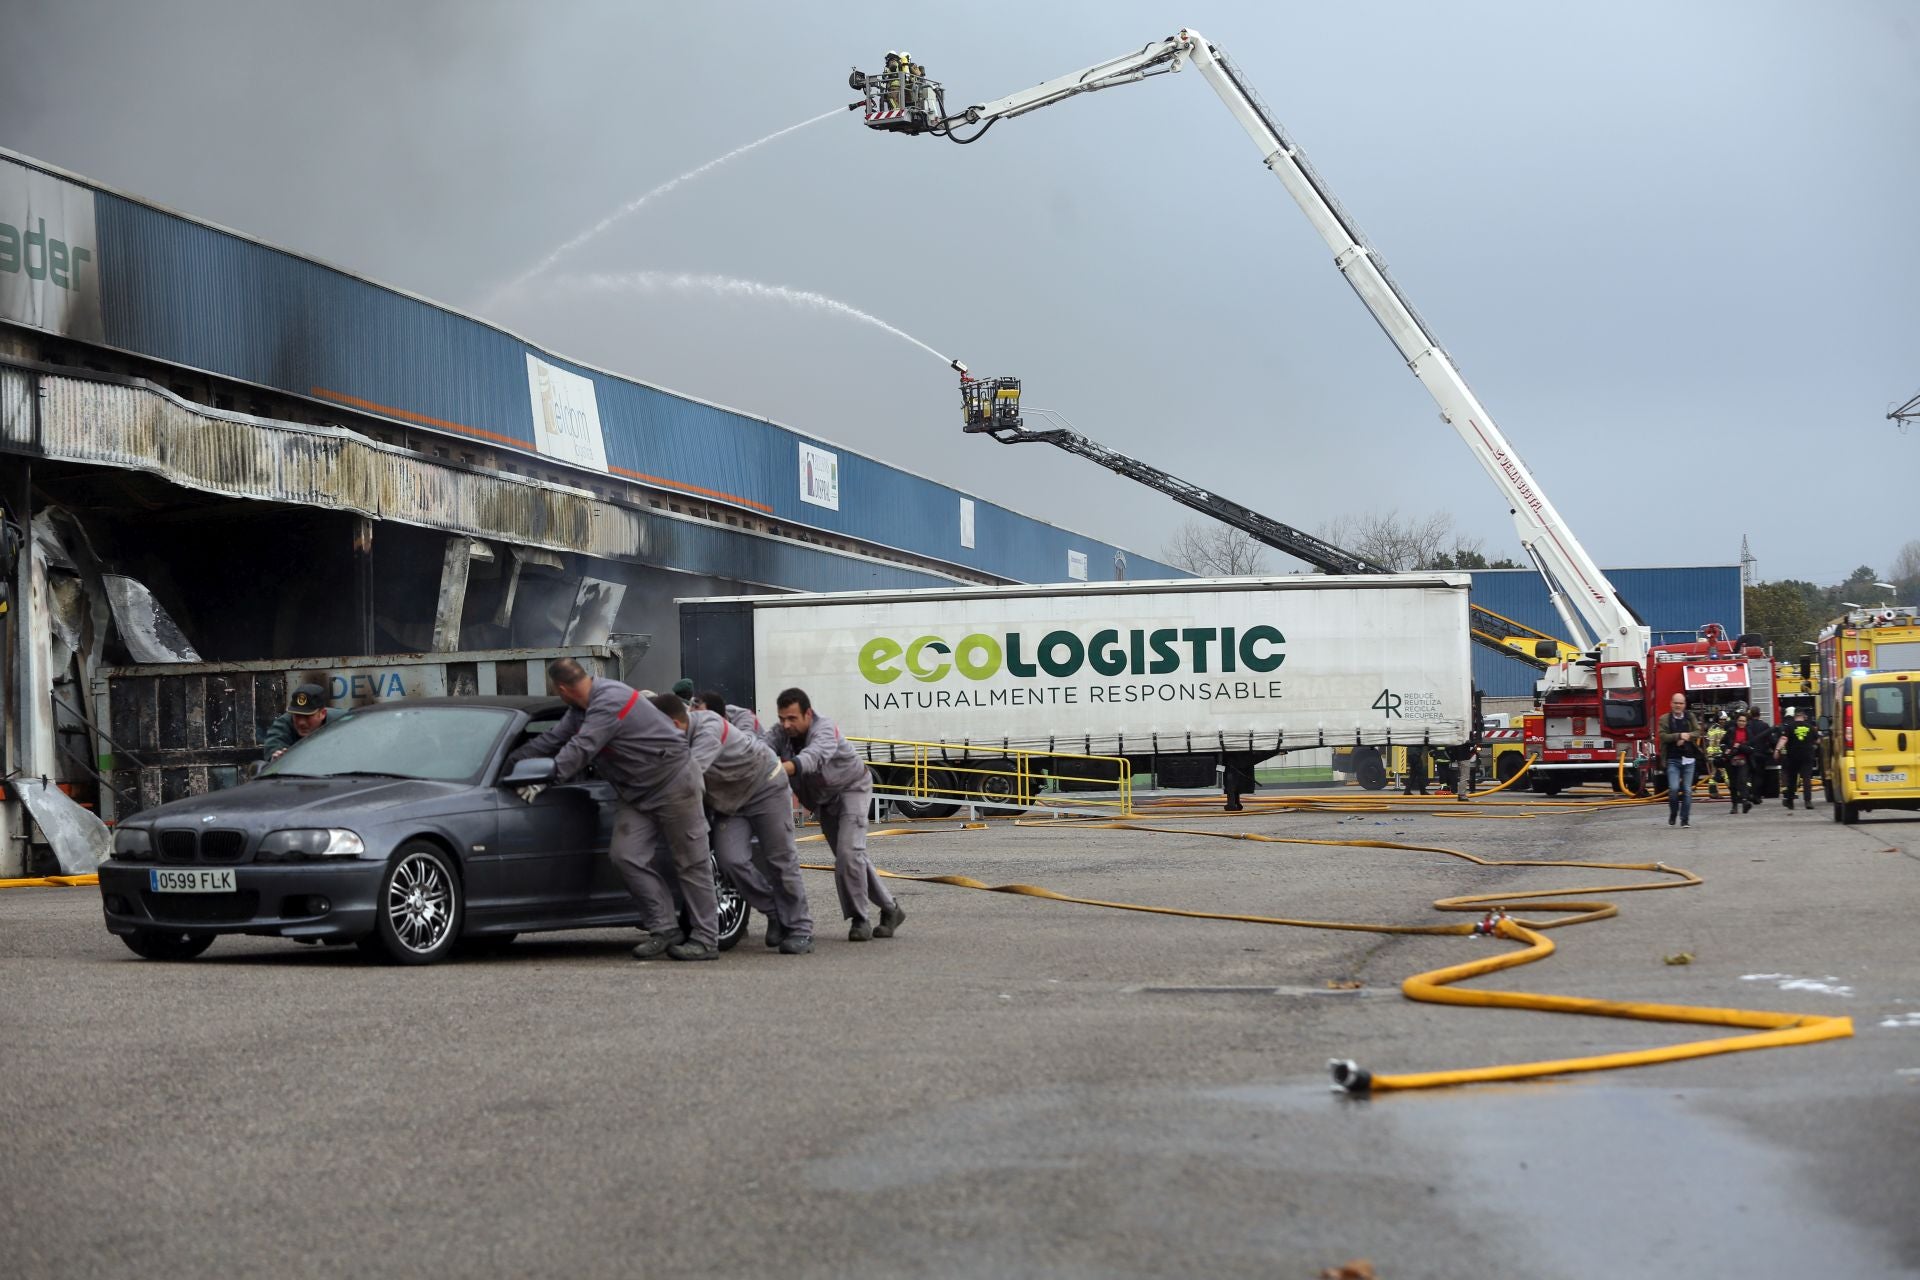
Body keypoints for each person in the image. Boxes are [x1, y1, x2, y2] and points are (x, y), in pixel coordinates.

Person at [505, 658, 722, 962]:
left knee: (691, 862)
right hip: (637, 793)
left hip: (674, 783)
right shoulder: (579, 710)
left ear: (563, 688)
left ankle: (705, 940)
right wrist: (510, 763)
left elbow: (582, 747)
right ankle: (665, 929)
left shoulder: (610, 700)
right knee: (626, 856)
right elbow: (553, 740)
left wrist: (548, 776)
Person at [651, 692, 814, 954]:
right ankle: (774, 910)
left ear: (673, 724)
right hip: (732, 801)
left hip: (765, 787)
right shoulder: (676, 735)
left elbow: (689, 777)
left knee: (781, 859)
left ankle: (800, 929)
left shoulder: (708, 727)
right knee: (730, 860)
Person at [766, 687, 904, 942]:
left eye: (792, 718)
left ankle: (859, 919)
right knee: (851, 857)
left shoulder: (825, 728)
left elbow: (815, 757)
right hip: (824, 800)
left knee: (849, 854)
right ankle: (891, 908)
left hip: (852, 789)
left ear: (807, 714)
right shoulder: (779, 734)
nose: (786, 724)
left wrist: (782, 767)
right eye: (782, 718)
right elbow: (760, 749)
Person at [1658, 692, 1704, 826]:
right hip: (1673, 759)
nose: (1678, 705)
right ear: (1671, 704)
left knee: (1687, 790)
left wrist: (1687, 736)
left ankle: (1685, 819)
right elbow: (1663, 736)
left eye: (1681, 703)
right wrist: (1678, 736)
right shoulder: (1664, 719)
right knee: (1673, 789)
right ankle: (1673, 812)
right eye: (1676, 703)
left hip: (1689, 759)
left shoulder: (1690, 717)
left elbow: (1698, 732)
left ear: (1685, 705)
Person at [262, 683, 334, 761]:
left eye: (307, 717)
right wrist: (276, 758)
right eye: (297, 715)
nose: (301, 722)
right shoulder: (284, 723)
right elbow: (274, 743)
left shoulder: (341, 722)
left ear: (323, 713)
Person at [1776, 706, 1821, 810]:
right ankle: (1808, 801)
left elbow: (1783, 739)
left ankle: (1790, 801)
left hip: (1793, 756)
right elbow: (1818, 741)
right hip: (1807, 756)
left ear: (1794, 716)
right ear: (1804, 716)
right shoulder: (1810, 727)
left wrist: (1777, 750)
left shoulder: (1789, 727)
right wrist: (1812, 745)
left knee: (1792, 779)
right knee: (1806, 779)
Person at [1721, 710, 1761, 815]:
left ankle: (1745, 801)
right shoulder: (1731, 731)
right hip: (1731, 761)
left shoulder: (1749, 732)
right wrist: (1726, 749)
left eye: (1744, 721)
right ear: (1736, 721)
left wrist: (1740, 747)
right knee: (1733, 784)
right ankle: (1734, 806)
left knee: (1742, 780)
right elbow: (1723, 743)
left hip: (1744, 760)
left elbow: (1752, 748)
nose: (1742, 723)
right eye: (1740, 720)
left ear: (1746, 722)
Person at [1703, 712, 1729, 799]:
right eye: (1721, 719)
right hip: (1715, 755)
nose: (1723, 721)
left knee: (1715, 775)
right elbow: (1710, 743)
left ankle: (1713, 792)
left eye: (1724, 719)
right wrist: (1710, 755)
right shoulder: (1714, 729)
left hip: (1723, 755)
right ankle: (1734, 792)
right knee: (1725, 774)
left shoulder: (1726, 728)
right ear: (1718, 719)